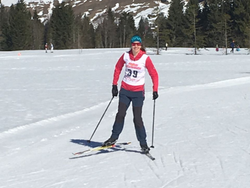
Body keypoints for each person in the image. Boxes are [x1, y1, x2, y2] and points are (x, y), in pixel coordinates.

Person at [103, 35, 159, 153]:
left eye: (138, 44)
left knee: (137, 119)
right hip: (125, 91)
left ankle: (143, 143)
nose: (136, 46)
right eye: (134, 44)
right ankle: (113, 138)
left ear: (141, 45)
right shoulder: (125, 56)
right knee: (120, 114)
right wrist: (114, 85)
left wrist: (155, 90)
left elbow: (154, 74)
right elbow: (118, 68)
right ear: (131, 45)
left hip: (138, 93)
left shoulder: (145, 58)